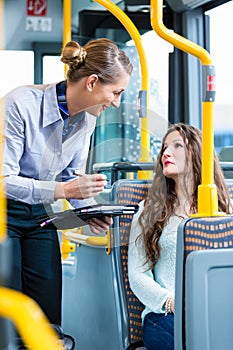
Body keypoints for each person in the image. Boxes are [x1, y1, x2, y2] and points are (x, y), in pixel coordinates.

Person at [2, 37, 133, 336]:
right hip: (2, 215)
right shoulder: (19, 104)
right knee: (9, 312)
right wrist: (66, 192)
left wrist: (87, 210)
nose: (116, 102)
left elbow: (71, 176)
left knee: (48, 315)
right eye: (116, 92)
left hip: (39, 217)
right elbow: (4, 181)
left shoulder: (87, 120)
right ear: (92, 82)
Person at [128, 123, 232, 350]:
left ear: (197, 152)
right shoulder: (148, 212)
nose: (166, 152)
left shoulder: (224, 209)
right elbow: (137, 274)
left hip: (217, 309)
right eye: (165, 147)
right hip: (165, 314)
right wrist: (171, 301)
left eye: (177, 146)